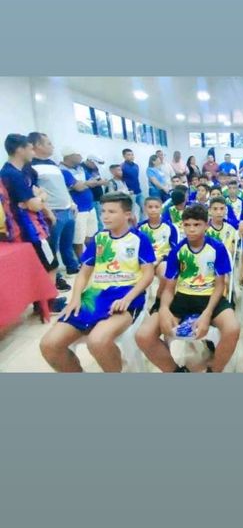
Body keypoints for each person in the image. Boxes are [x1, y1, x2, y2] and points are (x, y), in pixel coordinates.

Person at [40, 192, 156, 372]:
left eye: (112, 211)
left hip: (125, 294)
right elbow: (84, 273)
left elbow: (148, 275)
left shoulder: (139, 239)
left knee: (97, 341)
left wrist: (128, 298)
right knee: (49, 344)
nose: (105, 216)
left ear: (127, 214)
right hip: (94, 295)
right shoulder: (99, 238)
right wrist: (75, 298)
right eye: (103, 211)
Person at [135, 204, 240, 373]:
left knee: (233, 329)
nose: (191, 229)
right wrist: (164, 309)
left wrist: (207, 314)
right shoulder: (178, 250)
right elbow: (169, 287)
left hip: (210, 297)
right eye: (187, 225)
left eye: (197, 224)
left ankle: (215, 370)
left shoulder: (217, 248)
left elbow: (220, 286)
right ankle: (176, 371)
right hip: (182, 298)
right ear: (182, 225)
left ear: (206, 225)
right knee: (143, 336)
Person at [1, 134, 66, 313]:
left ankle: (42, 302)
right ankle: (49, 302)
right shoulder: (12, 174)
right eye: (30, 148)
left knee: (42, 264)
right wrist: (41, 197)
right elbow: (34, 204)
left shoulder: (22, 171)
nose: (33, 152)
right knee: (50, 264)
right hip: (28, 228)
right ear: (19, 150)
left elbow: (34, 198)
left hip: (31, 225)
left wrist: (39, 201)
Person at [28, 132, 80, 286]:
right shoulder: (31, 167)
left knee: (67, 243)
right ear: (37, 145)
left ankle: (72, 267)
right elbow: (34, 192)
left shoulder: (53, 165)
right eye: (48, 143)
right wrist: (47, 211)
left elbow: (62, 187)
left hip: (67, 209)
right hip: (52, 212)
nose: (52, 146)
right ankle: (55, 278)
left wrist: (72, 203)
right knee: (51, 247)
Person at [138, 196, 179, 312]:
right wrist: (148, 262)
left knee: (166, 276)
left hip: (162, 260)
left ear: (161, 208)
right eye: (150, 207)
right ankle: (139, 306)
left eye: (156, 207)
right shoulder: (140, 227)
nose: (153, 210)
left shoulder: (170, 227)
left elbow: (174, 250)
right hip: (145, 262)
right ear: (145, 208)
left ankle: (158, 302)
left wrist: (160, 259)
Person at [60, 147, 101, 260]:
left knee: (91, 234)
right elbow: (78, 187)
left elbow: (94, 182)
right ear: (70, 156)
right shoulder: (63, 171)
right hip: (78, 209)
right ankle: (81, 260)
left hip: (90, 207)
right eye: (78, 155)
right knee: (78, 238)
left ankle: (91, 257)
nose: (81, 157)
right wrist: (86, 184)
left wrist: (84, 184)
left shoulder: (81, 168)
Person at [83, 155, 107, 228]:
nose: (95, 166)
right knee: (94, 222)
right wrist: (99, 183)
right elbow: (87, 184)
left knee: (100, 219)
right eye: (94, 164)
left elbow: (98, 179)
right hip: (90, 199)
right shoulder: (82, 169)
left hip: (98, 198)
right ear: (90, 161)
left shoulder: (94, 169)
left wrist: (102, 182)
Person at [121, 148, 143, 217]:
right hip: (130, 193)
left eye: (132, 155)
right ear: (124, 156)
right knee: (131, 213)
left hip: (138, 191)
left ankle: (142, 222)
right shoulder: (122, 167)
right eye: (129, 155)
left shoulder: (136, 166)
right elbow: (121, 181)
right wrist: (126, 191)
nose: (131, 156)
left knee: (144, 208)